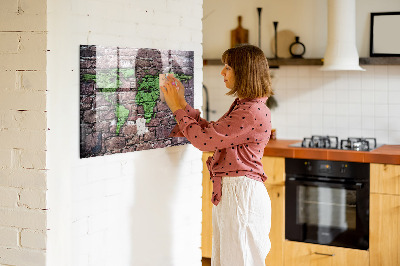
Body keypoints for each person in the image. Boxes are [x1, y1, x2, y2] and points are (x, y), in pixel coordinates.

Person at [161, 44, 273, 266]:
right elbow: (212, 133)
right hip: (236, 193)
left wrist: (176, 108)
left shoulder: (250, 111)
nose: (222, 72)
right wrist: (182, 104)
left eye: (228, 67)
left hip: (241, 195)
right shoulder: (246, 106)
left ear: (244, 72)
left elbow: (204, 141)